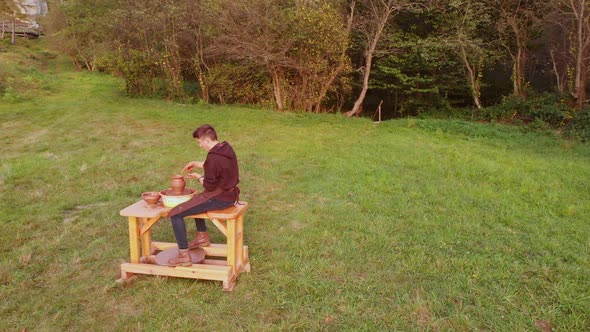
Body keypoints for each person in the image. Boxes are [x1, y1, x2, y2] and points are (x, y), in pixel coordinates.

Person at [167, 124, 240, 266]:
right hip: (231, 195)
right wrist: (198, 163)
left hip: (220, 199)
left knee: (176, 213)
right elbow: (219, 166)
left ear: (206, 140)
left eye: (199, 142)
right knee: (196, 200)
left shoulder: (213, 158)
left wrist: (198, 177)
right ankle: (202, 237)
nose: (200, 145)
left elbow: (209, 186)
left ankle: (183, 255)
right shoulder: (225, 148)